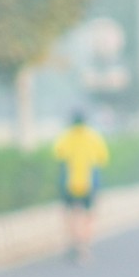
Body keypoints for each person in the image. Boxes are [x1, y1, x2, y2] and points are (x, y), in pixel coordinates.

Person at [53, 109, 111, 261]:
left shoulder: (66, 136)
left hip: (69, 183)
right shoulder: (94, 137)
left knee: (71, 214)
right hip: (90, 183)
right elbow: (103, 159)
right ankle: (85, 246)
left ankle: (74, 242)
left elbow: (58, 156)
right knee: (89, 215)